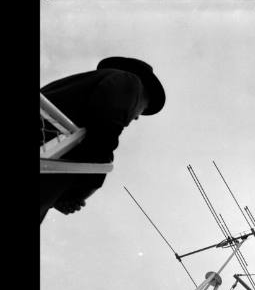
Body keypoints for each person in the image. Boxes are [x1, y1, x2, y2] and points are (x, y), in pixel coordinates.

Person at [40, 57, 166, 223]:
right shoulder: (130, 82)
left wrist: (61, 197)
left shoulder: (73, 91)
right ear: (143, 94)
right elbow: (103, 135)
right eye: (143, 108)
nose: (136, 118)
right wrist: (76, 193)